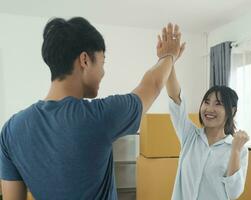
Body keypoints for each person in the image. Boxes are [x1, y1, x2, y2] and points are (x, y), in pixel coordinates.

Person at [0, 17, 184, 200]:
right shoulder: (100, 116)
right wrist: (169, 55)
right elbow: (152, 84)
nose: (103, 72)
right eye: (102, 63)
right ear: (85, 60)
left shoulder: (10, 130)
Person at [164, 45, 249, 199]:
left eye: (218, 104)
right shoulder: (190, 135)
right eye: (206, 102)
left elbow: (234, 192)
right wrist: (169, 60)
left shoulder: (239, 149)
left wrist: (235, 151)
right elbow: (176, 98)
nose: (209, 109)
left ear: (233, 111)